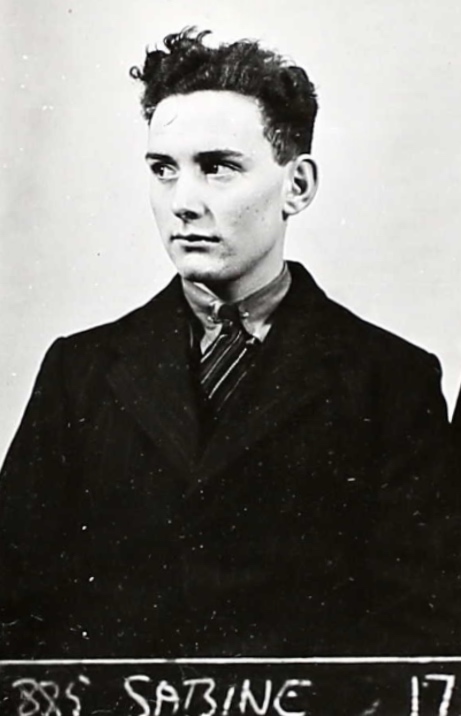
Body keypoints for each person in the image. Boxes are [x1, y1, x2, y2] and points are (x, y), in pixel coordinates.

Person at [0, 28, 454, 659]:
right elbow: (15, 611)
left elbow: (420, 641)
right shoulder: (79, 373)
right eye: (163, 170)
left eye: (218, 168)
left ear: (297, 186)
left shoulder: (391, 380)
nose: (183, 202)